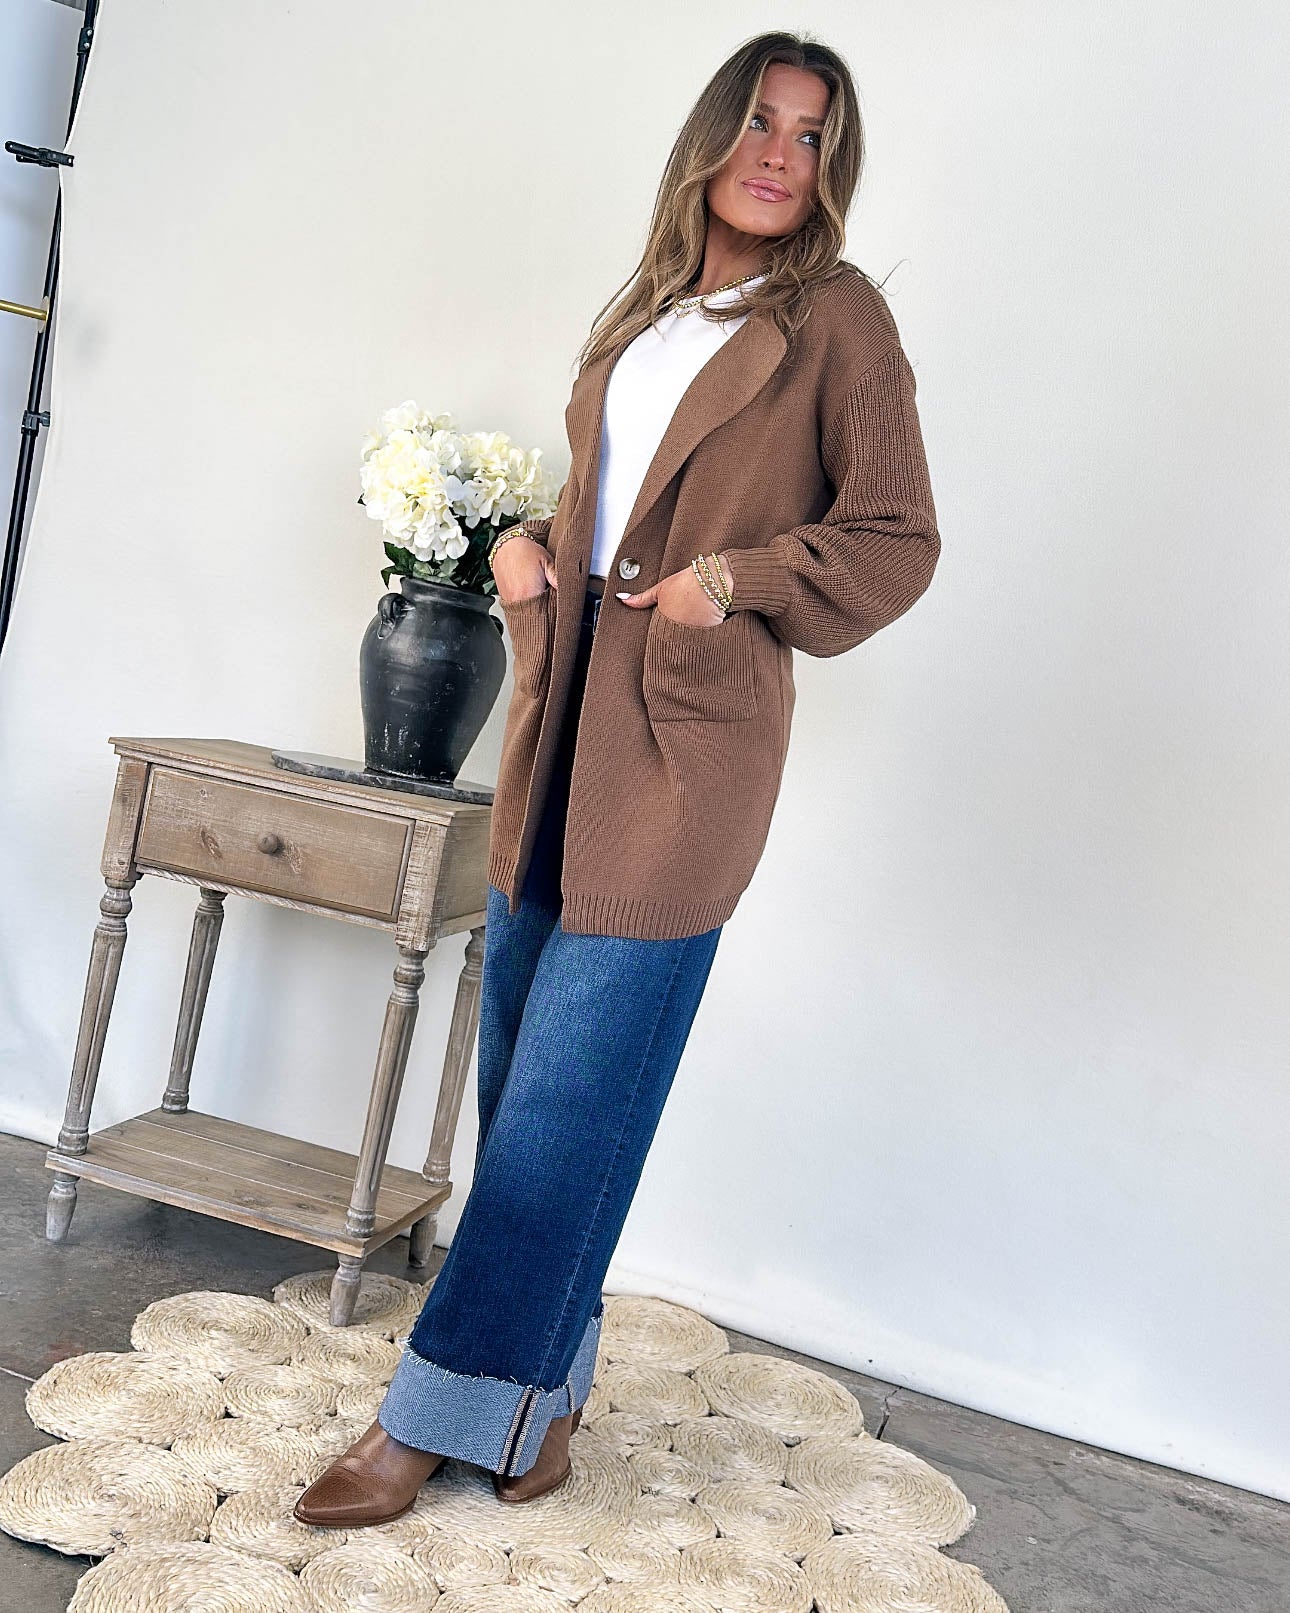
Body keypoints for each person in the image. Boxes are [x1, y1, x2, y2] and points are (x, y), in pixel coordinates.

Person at [295, 28, 941, 1527]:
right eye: (761, 122)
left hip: (685, 759)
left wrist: (740, 579)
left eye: (812, 137)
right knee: (525, 1085)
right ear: (711, 137)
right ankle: (541, 1404)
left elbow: (898, 540)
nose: (781, 156)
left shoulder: (837, 321)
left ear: (832, 167)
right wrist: (529, 555)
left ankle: (422, 1416)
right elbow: (612, 504)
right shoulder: (647, 308)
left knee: (565, 1105)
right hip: (562, 732)